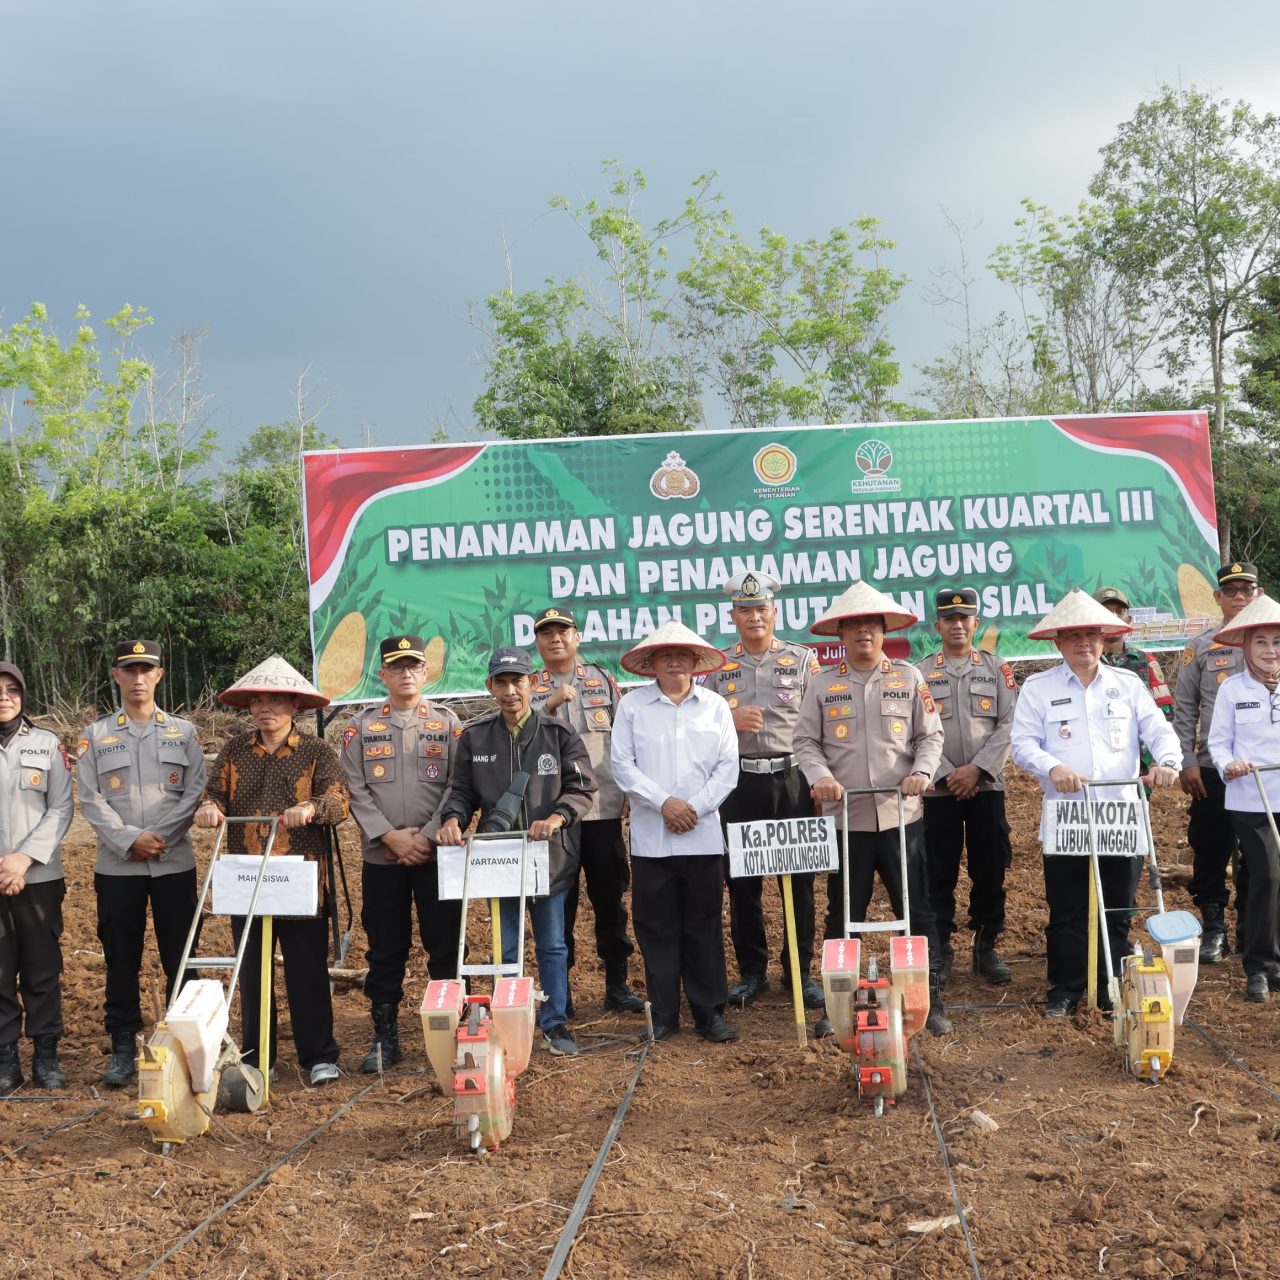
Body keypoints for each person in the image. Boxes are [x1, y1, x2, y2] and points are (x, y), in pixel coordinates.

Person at [1011, 589, 1181, 1017]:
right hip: (1067, 813)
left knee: (1119, 907)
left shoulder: (1127, 684)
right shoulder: (1038, 687)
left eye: (1091, 634)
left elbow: (1158, 730)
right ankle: (1065, 989)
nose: (1083, 642)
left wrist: (1167, 761)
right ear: (1058, 642)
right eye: (1073, 636)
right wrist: (1052, 768)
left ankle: (1110, 988)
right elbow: (1022, 745)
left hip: (1120, 811)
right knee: (1067, 907)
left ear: (1104, 639)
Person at [792, 581, 952, 1037]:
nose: (864, 632)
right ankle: (837, 1007)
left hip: (903, 818)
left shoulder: (909, 678)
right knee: (843, 912)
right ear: (840, 634)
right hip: (848, 821)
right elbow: (805, 741)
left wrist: (922, 771)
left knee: (917, 911)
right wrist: (820, 777)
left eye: (872, 625)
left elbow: (931, 737)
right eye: (854, 625)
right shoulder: (823, 683)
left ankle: (927, 1001)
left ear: (884, 632)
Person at [194, 655, 350, 1086]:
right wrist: (209, 808)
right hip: (246, 878)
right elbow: (212, 795)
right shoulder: (234, 750)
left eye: (276, 701)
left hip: (299, 880)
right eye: (259, 701)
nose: (267, 709)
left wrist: (311, 807)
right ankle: (257, 1055)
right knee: (253, 970)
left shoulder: (317, 751)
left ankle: (318, 1056)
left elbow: (340, 802)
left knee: (307, 971)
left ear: (294, 706)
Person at [436, 647, 596, 1057]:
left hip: (549, 859)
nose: (510, 691)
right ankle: (508, 1024)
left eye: (517, 681)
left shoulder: (559, 735)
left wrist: (558, 817)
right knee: (505, 947)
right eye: (501, 682)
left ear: (532, 683)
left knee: (553, 944)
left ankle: (555, 1023)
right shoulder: (475, 737)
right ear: (490, 686)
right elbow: (462, 792)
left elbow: (582, 789)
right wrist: (453, 820)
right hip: (498, 862)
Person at [77, 640, 207, 1087]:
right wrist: (131, 840)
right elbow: (90, 799)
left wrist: (161, 838)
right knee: (121, 958)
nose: (137, 679)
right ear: (116, 675)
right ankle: (122, 1047)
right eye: (129, 670)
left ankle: (188, 1045)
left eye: (145, 670)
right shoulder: (95, 736)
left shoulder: (184, 733)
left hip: (173, 863)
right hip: (118, 868)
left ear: (159, 675)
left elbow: (194, 792)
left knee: (181, 956)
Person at [700, 572, 824, 1010]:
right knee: (743, 882)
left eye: (761, 609)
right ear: (732, 616)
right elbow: (698, 727)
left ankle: (799, 972)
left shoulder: (803, 660)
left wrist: (819, 778)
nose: (754, 617)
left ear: (775, 612)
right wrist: (726, 723)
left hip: (794, 779)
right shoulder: (716, 667)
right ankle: (752, 972)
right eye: (745, 610)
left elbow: (824, 721)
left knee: (801, 879)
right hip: (739, 781)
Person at [611, 620, 739, 1042]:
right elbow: (622, 766)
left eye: (682, 654)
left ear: (695, 662)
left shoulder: (716, 707)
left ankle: (709, 1013)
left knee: (703, 924)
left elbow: (727, 769)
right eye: (664, 655)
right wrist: (664, 802)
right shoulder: (631, 708)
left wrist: (694, 808)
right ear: (650, 663)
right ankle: (663, 1013)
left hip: (702, 837)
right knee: (656, 926)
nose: (674, 661)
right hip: (651, 839)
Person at [340, 634, 462, 1073]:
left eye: (414, 666)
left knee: (444, 944)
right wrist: (389, 837)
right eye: (398, 666)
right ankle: (384, 1034)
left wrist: (426, 836)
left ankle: (446, 1030)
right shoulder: (359, 728)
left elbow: (457, 785)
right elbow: (354, 789)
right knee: (386, 948)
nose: (406, 673)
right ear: (383, 674)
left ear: (426, 673)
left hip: (437, 857)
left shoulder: (449, 725)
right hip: (382, 858)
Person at [530, 607, 643, 1016]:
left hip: (603, 809)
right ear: (538, 642)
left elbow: (626, 737)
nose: (555, 639)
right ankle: (562, 993)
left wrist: (631, 789)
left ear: (577, 637)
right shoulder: (527, 685)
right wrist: (549, 704)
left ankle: (617, 985)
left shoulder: (601, 679)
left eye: (563, 632)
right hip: (552, 815)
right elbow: (519, 735)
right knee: (559, 903)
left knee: (610, 898)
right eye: (546, 634)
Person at [914, 588, 1017, 986]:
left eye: (965, 619)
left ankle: (986, 944)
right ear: (937, 626)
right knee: (937, 871)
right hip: (939, 791)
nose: (957, 626)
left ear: (975, 624)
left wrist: (976, 770)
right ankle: (940, 950)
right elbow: (913, 729)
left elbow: (1008, 726)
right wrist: (946, 774)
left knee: (990, 868)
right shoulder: (921, 672)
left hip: (987, 788)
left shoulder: (997, 669)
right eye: (949, 619)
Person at [1173, 562, 1263, 963]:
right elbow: (1184, 708)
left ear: (1258, 594)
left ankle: (1253, 928)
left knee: (1260, 853)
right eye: (1232, 591)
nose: (1240, 597)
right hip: (1212, 769)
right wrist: (1187, 760)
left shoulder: (1273, 641)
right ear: (1218, 598)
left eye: (1247, 590)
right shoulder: (1202, 646)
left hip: (1263, 773)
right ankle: (1213, 928)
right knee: (1210, 849)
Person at [0, 662, 73, 1093]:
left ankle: (46, 1054)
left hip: (39, 876)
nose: (4, 697)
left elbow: (61, 807)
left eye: (12, 690)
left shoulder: (47, 744)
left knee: (42, 968)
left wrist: (22, 859)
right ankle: (6, 1056)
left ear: (23, 696)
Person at [1207, 594, 1280, 1002]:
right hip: (1251, 801)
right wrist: (1230, 764)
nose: (1271, 651)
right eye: (1262, 642)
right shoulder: (1232, 690)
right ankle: (1259, 967)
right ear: (1246, 646)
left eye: (1277, 641)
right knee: (1268, 876)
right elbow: (1218, 743)